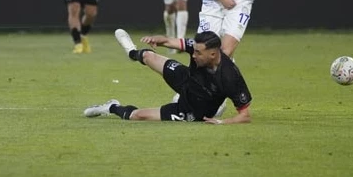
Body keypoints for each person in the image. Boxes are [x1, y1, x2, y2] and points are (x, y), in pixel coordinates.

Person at [84, 29, 252, 124]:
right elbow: (172, 42)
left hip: (191, 110)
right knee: (149, 57)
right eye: (194, 51)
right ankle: (132, 52)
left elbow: (245, 115)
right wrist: (159, 39)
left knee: (139, 116)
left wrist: (221, 122)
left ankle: (111, 107)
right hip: (186, 79)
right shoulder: (198, 49)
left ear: (213, 54)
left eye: (198, 53)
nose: (193, 55)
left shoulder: (230, 76)